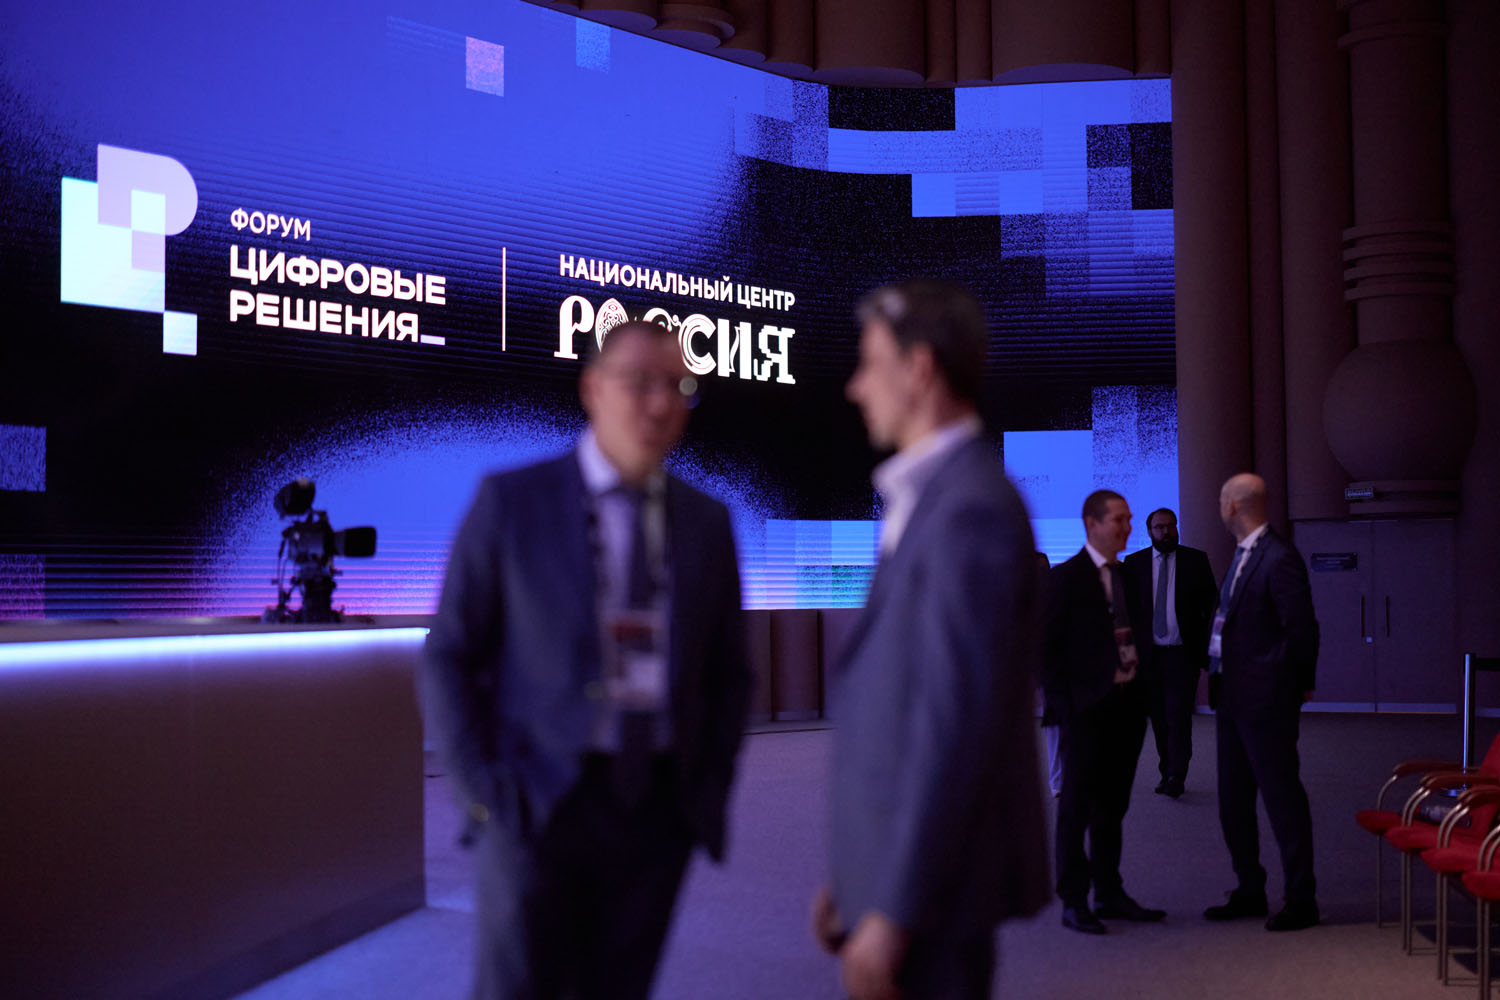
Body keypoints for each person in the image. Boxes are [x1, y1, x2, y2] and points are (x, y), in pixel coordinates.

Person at [421, 319, 752, 999]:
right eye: (640, 383)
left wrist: (703, 794)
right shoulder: (513, 502)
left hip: (657, 809)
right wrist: (481, 795)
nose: (660, 404)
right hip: (536, 802)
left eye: (678, 386)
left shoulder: (707, 522)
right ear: (593, 389)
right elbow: (449, 653)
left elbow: (729, 675)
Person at [811, 280, 1049, 1000]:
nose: (855, 388)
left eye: (868, 364)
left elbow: (954, 726)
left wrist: (893, 910)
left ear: (917, 370)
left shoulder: (969, 508)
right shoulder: (936, 498)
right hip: (911, 880)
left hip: (933, 898)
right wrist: (857, 876)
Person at [1042, 489, 1165, 935]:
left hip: (1128, 708)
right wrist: (1066, 706)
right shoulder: (1065, 578)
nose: (1127, 528)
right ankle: (1074, 900)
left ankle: (1109, 892)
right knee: (1076, 807)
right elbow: (1046, 652)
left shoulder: (1130, 575)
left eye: (1129, 519)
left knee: (1113, 806)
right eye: (1118, 520)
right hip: (1086, 711)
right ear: (1091, 524)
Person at [1203, 472, 1320, 932]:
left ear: (1233, 505)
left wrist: (1296, 685)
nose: (1219, 507)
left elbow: (1302, 629)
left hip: (1267, 701)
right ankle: (1249, 888)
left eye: (1221, 499)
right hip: (1232, 697)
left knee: (1281, 798)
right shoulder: (1244, 554)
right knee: (1233, 801)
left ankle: (1301, 898)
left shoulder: (1279, 557)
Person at [1124, 507, 1218, 798]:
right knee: (1159, 719)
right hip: (1149, 657)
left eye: (1170, 525)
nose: (1166, 532)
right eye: (1159, 527)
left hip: (1182, 655)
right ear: (1149, 532)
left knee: (1178, 716)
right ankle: (1166, 769)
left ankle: (1177, 774)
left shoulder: (1196, 560)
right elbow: (1128, 613)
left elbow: (1212, 606)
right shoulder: (1134, 564)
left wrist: (1211, 648)